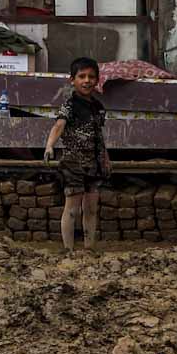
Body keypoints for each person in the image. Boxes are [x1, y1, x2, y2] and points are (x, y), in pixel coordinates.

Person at [44, 57, 109, 251]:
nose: (87, 80)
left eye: (91, 77)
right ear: (72, 80)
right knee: (72, 208)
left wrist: (105, 158)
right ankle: (68, 250)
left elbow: (99, 135)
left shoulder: (98, 108)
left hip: (94, 163)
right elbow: (59, 126)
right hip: (73, 163)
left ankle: (89, 249)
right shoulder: (69, 106)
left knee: (90, 208)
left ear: (97, 80)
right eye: (82, 76)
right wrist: (49, 146)